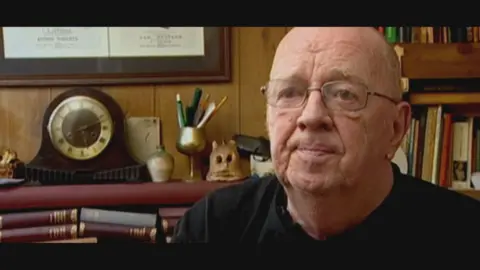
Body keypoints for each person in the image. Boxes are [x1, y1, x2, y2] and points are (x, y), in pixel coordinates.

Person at [171, 27, 480, 242]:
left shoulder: (464, 235)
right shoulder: (211, 228)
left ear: (396, 127)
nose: (311, 116)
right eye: (290, 92)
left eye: (345, 94)